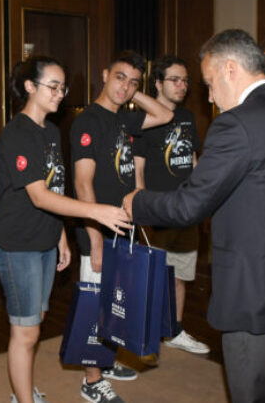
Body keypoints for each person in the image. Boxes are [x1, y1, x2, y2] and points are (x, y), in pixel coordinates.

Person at [123, 29, 265, 402]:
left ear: (230, 69)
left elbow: (189, 206)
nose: (210, 96)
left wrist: (137, 201)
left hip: (257, 302)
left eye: (210, 83)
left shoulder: (236, 125)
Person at [0, 55, 133, 403]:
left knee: (34, 321)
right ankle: (23, 399)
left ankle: (24, 391)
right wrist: (96, 212)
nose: (59, 93)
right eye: (52, 86)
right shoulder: (18, 133)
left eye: (62, 87)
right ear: (29, 87)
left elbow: (55, 190)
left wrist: (61, 237)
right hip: (15, 243)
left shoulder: (51, 131)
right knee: (25, 332)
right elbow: (39, 197)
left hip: (43, 240)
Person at [70, 50, 174, 403]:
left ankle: (106, 362)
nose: (125, 86)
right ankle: (91, 379)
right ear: (104, 74)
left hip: (124, 226)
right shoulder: (87, 121)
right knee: (95, 305)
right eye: (119, 77)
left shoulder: (123, 121)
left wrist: (133, 92)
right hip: (99, 228)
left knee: (117, 301)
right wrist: (95, 239)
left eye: (132, 81)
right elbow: (83, 184)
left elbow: (165, 113)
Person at [133, 55, 209, 357]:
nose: (182, 86)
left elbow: (191, 159)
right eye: (174, 80)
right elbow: (137, 170)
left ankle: (174, 330)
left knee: (180, 275)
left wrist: (201, 199)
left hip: (186, 209)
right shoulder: (143, 119)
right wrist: (141, 210)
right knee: (152, 277)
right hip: (157, 210)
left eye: (185, 80)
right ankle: (144, 335)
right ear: (158, 83)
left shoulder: (188, 117)